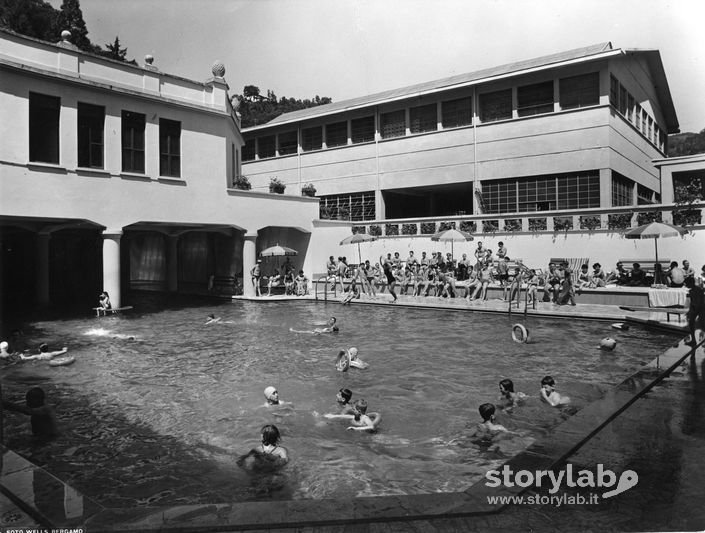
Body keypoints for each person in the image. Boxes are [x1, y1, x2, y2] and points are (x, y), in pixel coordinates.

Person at [686, 277, 705, 346]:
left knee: (703, 325)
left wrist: (694, 311)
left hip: (701, 309)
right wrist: (690, 311)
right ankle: (693, 340)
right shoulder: (691, 290)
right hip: (695, 309)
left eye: (687, 283)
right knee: (691, 323)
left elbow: (699, 303)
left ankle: (694, 340)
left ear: (691, 283)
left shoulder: (698, 290)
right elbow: (692, 302)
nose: (686, 285)